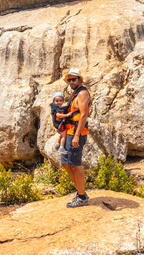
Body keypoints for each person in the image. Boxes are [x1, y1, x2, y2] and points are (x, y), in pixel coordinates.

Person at [60, 68, 91, 208]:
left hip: (76, 134)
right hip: (70, 132)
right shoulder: (75, 93)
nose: (71, 82)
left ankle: (82, 196)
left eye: (74, 79)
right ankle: (80, 191)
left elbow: (83, 115)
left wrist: (76, 136)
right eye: (69, 80)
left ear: (80, 79)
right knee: (65, 163)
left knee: (75, 164)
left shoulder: (83, 93)